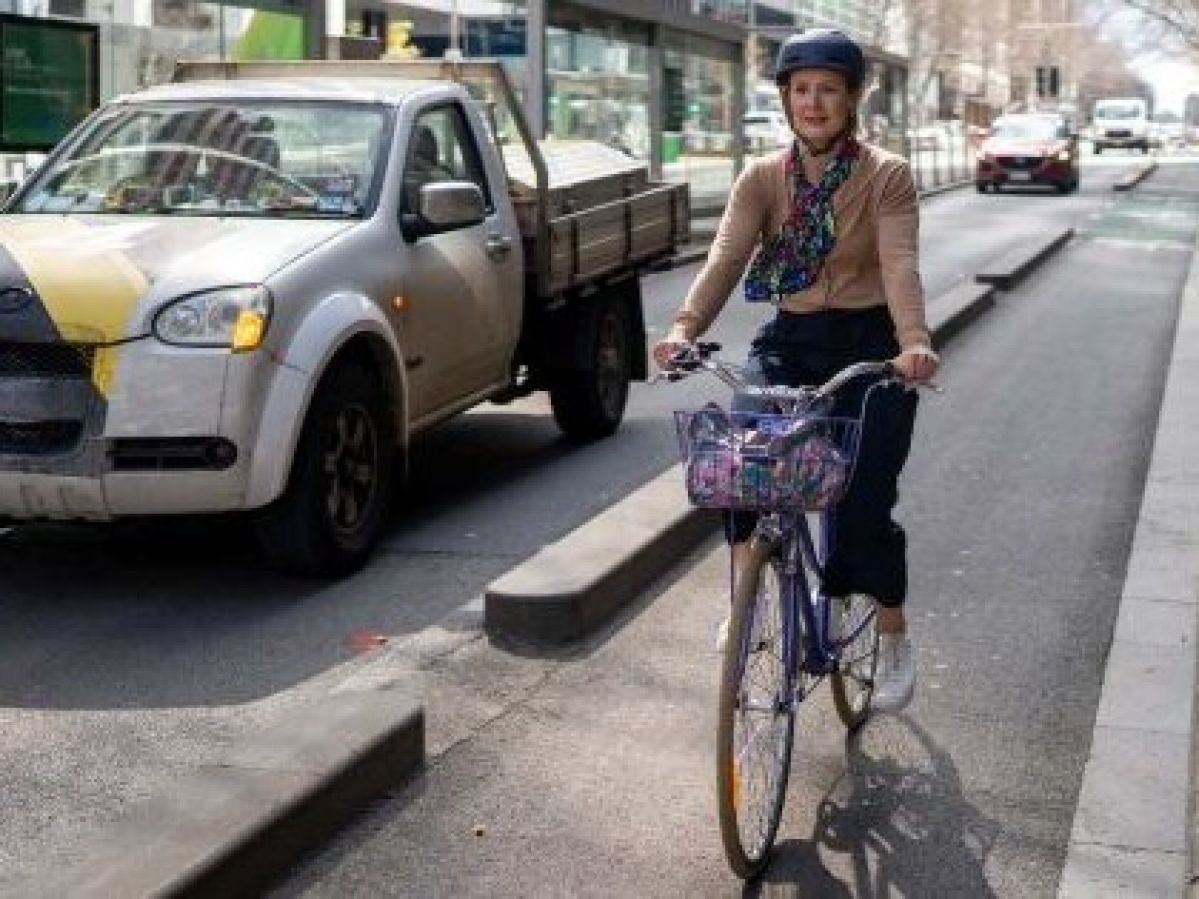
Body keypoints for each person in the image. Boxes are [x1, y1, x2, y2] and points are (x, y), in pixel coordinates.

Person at [654, 29, 939, 714]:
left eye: (828, 90)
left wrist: (914, 343)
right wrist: (684, 328)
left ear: (850, 100)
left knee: (863, 502)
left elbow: (899, 265)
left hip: (871, 345)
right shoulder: (762, 177)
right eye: (801, 89)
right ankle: (746, 600)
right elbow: (726, 256)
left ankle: (893, 636)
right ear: (785, 99)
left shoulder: (885, 174)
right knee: (740, 462)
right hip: (789, 338)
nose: (813, 102)